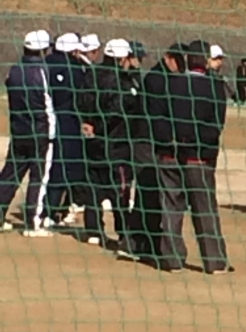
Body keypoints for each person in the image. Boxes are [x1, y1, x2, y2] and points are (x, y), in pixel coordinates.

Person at [150, 39, 230, 274]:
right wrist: (193, 142)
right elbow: (215, 126)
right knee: (204, 208)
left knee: (171, 207)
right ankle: (214, 260)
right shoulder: (214, 87)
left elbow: (157, 119)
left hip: (169, 154)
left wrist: (171, 140)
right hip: (198, 158)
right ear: (205, 60)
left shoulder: (170, 83)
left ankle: (172, 259)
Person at [78, 38, 141, 254]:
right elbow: (115, 112)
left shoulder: (91, 75)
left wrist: (88, 123)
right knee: (120, 190)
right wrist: (99, 126)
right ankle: (124, 233)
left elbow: (81, 101)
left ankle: (93, 229)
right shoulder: (120, 81)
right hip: (115, 144)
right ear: (122, 58)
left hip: (92, 142)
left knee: (94, 186)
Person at [130, 42, 188, 263]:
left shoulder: (167, 78)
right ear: (168, 57)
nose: (180, 67)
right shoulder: (157, 80)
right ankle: (138, 242)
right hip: (147, 142)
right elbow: (156, 116)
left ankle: (146, 242)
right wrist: (167, 138)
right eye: (178, 62)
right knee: (148, 194)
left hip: (154, 142)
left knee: (154, 194)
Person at [0, 30, 56, 236]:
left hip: (19, 130)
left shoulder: (15, 69)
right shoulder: (41, 70)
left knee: (11, 174)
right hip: (40, 131)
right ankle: (33, 222)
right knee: (39, 177)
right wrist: (51, 132)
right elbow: (46, 101)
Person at [44, 33, 87, 226]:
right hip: (67, 123)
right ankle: (51, 211)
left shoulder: (45, 64)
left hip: (43, 121)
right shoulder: (75, 69)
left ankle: (47, 210)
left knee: (47, 167)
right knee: (64, 167)